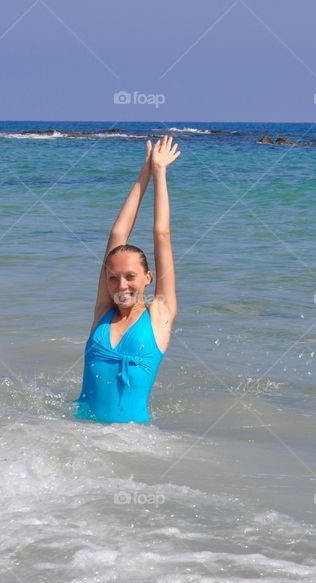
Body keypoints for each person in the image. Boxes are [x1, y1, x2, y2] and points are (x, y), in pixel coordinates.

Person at [74, 135, 180, 423]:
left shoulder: (160, 315)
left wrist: (159, 173)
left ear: (148, 277)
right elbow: (117, 236)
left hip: (130, 446)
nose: (121, 286)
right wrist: (142, 175)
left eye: (130, 277)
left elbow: (162, 235)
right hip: (74, 437)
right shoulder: (103, 313)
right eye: (113, 278)